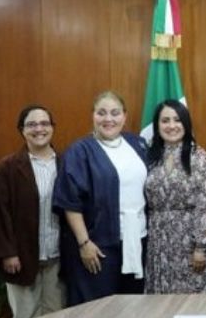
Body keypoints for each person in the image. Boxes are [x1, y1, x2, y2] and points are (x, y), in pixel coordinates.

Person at [53, 91, 148, 305]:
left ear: (124, 116)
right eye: (101, 113)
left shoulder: (138, 144)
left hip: (137, 241)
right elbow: (70, 203)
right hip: (99, 247)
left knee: (133, 308)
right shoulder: (80, 151)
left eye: (115, 113)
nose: (108, 119)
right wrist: (84, 242)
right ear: (93, 116)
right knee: (99, 313)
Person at [0, 105, 65, 318]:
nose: (38, 129)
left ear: (52, 128)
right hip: (21, 258)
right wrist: (8, 253)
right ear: (22, 130)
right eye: (31, 124)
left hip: (58, 258)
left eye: (44, 123)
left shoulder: (66, 163)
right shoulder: (7, 168)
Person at [144, 100, 206, 294]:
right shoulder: (151, 156)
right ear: (157, 125)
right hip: (158, 243)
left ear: (186, 123)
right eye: (165, 120)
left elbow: (205, 203)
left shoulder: (198, 157)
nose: (171, 126)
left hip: (189, 244)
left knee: (191, 304)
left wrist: (202, 246)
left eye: (177, 120)